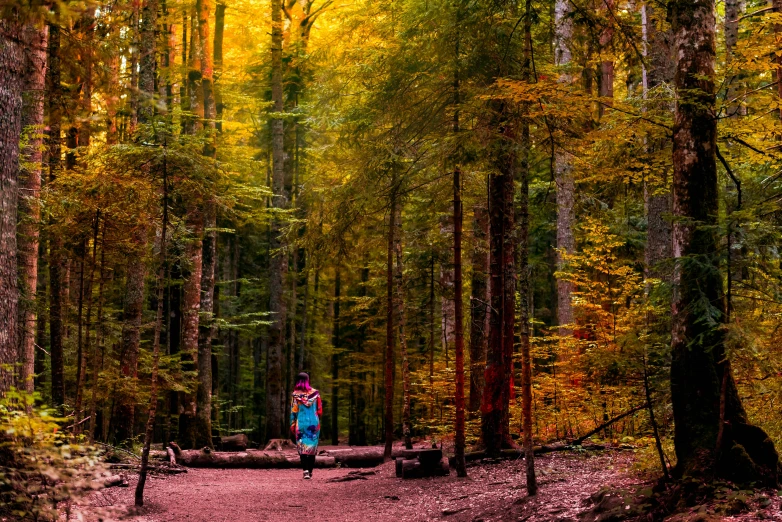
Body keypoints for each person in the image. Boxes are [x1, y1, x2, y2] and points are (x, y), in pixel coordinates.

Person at [290, 372, 322, 479]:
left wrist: (292, 424)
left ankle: (306, 471)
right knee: (312, 448)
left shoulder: (295, 395)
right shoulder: (316, 393)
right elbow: (320, 410)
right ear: (308, 380)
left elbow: (293, 411)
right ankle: (311, 471)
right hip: (314, 423)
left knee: (302, 447)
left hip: (301, 423)